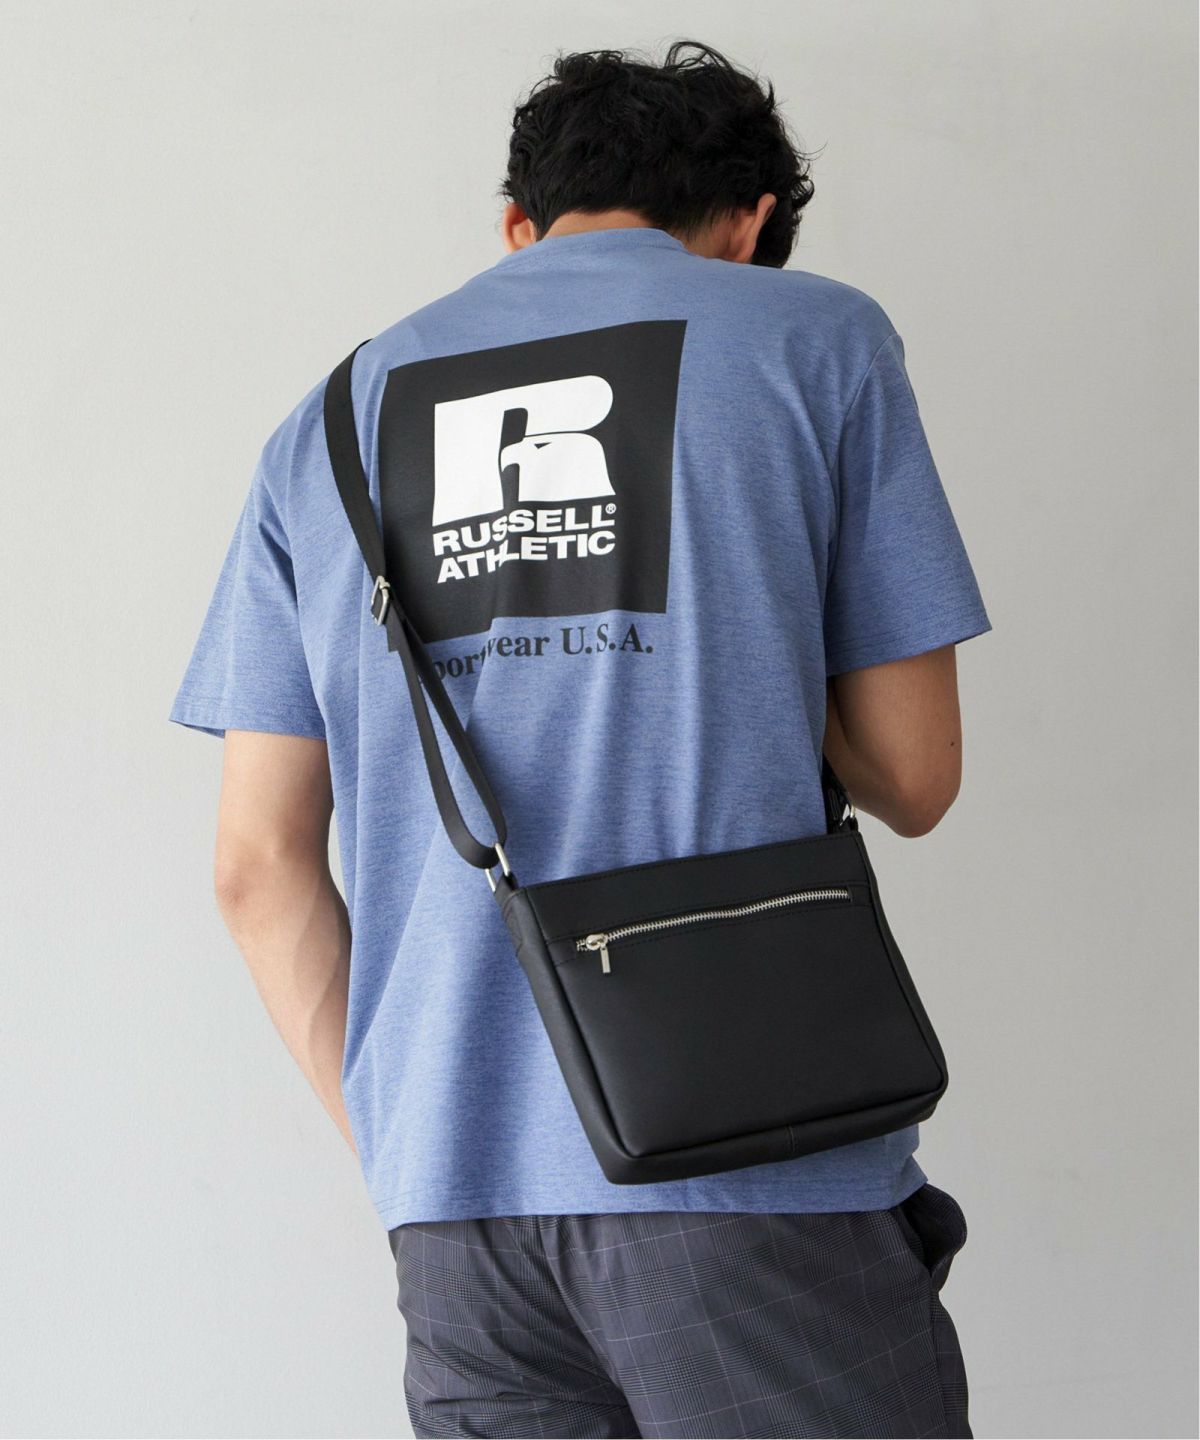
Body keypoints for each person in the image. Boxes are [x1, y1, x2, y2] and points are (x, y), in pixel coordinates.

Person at [170, 38, 991, 1440]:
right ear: (748, 226)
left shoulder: (324, 426)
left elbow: (255, 866)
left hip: (454, 1210)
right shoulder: (817, 339)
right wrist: (748, 630)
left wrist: (417, 1149)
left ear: (518, 225)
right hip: (749, 1173)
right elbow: (914, 777)